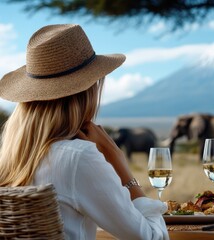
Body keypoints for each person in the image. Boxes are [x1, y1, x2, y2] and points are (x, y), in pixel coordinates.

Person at [0, 24, 169, 240]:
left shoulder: (10, 161)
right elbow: (154, 238)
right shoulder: (79, 157)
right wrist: (119, 164)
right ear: (89, 90)